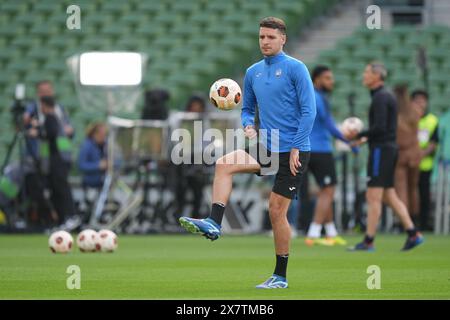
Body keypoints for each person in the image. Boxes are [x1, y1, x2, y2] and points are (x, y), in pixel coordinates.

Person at [179, 17, 316, 289]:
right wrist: (247, 125)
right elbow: (246, 109)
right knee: (223, 164)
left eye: (271, 37)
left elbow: (308, 111)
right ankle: (214, 222)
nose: (265, 41)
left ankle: (280, 276)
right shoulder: (253, 72)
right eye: (262, 37)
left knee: (276, 211)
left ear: (283, 39)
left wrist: (297, 146)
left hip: (293, 150)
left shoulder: (296, 69)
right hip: (267, 144)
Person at [347, 62, 423, 251]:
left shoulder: (380, 98)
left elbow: (380, 128)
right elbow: (385, 129)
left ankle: (368, 241)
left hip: (382, 151)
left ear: (377, 76)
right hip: (388, 148)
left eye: (367, 72)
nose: (364, 76)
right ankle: (413, 233)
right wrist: (364, 140)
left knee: (373, 195)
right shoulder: (384, 96)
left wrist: (359, 134)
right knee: (389, 196)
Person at [305, 65, 353, 247]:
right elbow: (330, 125)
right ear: (317, 79)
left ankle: (331, 232)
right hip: (320, 150)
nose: (331, 82)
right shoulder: (318, 98)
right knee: (328, 191)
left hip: (307, 149)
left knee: (325, 190)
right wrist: (348, 142)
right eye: (327, 78)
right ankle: (314, 232)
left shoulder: (309, 96)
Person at [174, 95, 208, 219]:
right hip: (182, 159)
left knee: (198, 191)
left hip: (199, 159)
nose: (196, 108)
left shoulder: (206, 122)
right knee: (180, 190)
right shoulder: (180, 120)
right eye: (193, 105)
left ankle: (196, 217)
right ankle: (177, 218)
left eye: (198, 106)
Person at [393, 85, 421, 223]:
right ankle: (416, 219)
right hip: (414, 153)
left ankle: (404, 222)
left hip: (401, 153)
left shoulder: (395, 113)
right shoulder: (415, 111)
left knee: (401, 188)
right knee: (413, 188)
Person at [412, 89, 439, 231]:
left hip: (425, 165)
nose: (420, 104)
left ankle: (423, 224)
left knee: (424, 194)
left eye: (423, 101)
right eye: (417, 101)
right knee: (410, 194)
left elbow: (433, 143)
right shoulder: (408, 120)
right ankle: (409, 223)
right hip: (409, 166)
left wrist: (420, 155)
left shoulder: (432, 120)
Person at [78, 122, 108, 189]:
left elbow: (118, 159)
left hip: (106, 179)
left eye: (105, 134)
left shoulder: (107, 144)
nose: (104, 137)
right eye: (101, 134)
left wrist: (110, 163)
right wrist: (98, 165)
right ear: (94, 134)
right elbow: (81, 165)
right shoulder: (87, 146)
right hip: (92, 180)